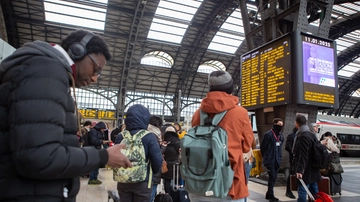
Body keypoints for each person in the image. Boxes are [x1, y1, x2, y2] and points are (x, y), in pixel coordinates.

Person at [0, 29, 132, 201]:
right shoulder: (45, 71)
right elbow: (39, 157)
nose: (94, 78)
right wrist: (103, 156)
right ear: (77, 51)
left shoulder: (44, 72)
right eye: (96, 69)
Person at [189, 70, 254, 202]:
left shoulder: (197, 114)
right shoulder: (240, 113)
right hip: (228, 185)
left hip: (198, 181)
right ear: (230, 88)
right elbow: (247, 145)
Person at [115, 104, 162, 202]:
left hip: (123, 180)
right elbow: (157, 160)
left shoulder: (120, 136)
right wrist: (153, 172)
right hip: (143, 182)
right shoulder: (149, 136)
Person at [293, 115, 321, 202]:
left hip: (306, 170)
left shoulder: (302, 136)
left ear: (297, 123)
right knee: (314, 192)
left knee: (302, 191)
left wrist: (300, 170)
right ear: (306, 123)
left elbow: (303, 155)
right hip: (313, 168)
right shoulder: (312, 135)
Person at [260, 118, 284, 202]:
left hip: (277, 160)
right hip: (270, 160)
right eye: (279, 124)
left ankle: (268, 193)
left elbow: (280, 147)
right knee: (272, 177)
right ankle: (271, 195)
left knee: (273, 178)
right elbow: (263, 148)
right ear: (274, 124)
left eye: (281, 125)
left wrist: (280, 158)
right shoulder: (268, 135)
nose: (280, 126)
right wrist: (266, 158)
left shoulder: (281, 136)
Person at [147, 115, 164, 202]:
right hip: (152, 173)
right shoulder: (154, 136)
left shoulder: (144, 133)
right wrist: (163, 148)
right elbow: (156, 156)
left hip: (142, 173)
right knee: (150, 196)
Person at [161, 126, 181, 194]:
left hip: (165, 164)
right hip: (175, 165)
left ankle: (167, 195)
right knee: (174, 180)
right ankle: (174, 196)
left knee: (166, 181)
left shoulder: (163, 141)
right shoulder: (178, 142)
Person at [284, 127, 297, 199]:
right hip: (293, 158)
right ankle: (288, 190)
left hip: (300, 158)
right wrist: (294, 151)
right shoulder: (291, 136)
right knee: (292, 173)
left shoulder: (302, 135)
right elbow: (287, 147)